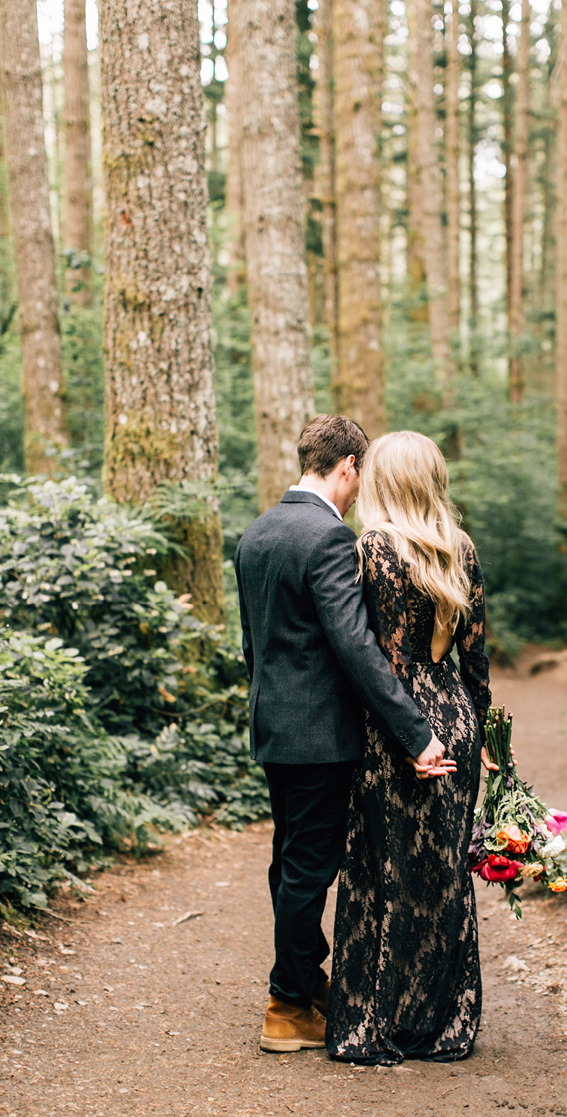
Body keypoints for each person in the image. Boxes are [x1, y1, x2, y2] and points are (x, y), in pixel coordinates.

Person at [234, 415, 453, 1055]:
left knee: (289, 864)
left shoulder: (257, 533)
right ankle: (287, 1004)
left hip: (273, 726)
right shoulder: (329, 537)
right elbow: (357, 648)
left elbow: (255, 645)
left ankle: (305, 978)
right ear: (349, 466)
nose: (360, 494)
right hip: (322, 735)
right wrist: (415, 732)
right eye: (360, 478)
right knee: (308, 868)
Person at [326, 430, 493, 1066]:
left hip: (395, 725)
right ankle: (444, 1022)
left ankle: (376, 1023)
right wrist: (484, 738)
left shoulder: (373, 548)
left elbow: (371, 657)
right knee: (444, 872)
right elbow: (475, 655)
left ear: (383, 481)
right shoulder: (462, 548)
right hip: (453, 714)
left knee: (380, 869)